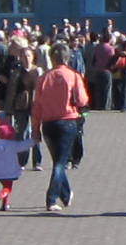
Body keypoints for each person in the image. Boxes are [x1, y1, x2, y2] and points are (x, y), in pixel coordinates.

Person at [31, 43, 88, 215]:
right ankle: (51, 198)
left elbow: (37, 106)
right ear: (68, 57)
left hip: (48, 124)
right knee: (60, 163)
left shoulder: (44, 78)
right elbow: (83, 100)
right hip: (67, 121)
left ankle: (65, 194)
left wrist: (35, 129)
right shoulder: (73, 76)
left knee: (58, 160)